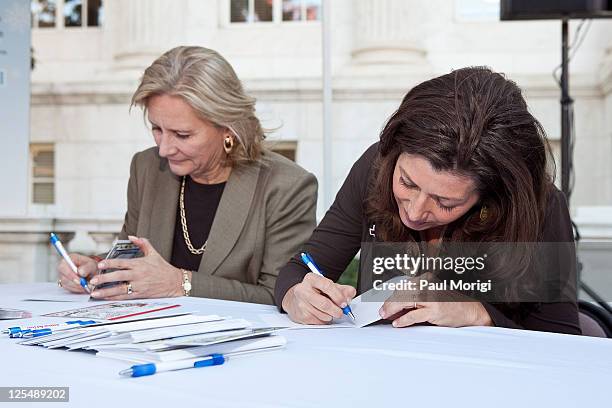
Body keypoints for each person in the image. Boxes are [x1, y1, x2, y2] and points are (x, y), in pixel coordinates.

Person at [275, 67, 581, 334]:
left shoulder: (540, 206)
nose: (415, 211)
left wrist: (479, 313)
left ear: (490, 194)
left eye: (445, 203)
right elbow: (300, 268)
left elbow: (561, 340)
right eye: (407, 183)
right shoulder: (375, 167)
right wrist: (296, 294)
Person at [57, 46, 317, 304]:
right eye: (157, 128)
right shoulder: (146, 167)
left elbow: (282, 295)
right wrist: (98, 269)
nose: (164, 148)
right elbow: (133, 260)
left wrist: (180, 283)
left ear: (228, 127)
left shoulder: (287, 186)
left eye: (182, 135)